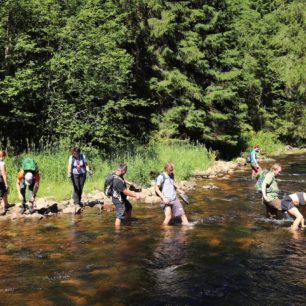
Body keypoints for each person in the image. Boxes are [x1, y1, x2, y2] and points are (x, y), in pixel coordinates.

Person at [155, 162, 190, 226]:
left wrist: (179, 190)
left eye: (172, 169)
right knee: (168, 217)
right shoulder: (161, 177)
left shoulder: (172, 175)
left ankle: (187, 229)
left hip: (174, 199)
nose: (172, 170)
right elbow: (156, 189)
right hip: (166, 200)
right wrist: (163, 198)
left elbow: (172, 185)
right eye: (170, 169)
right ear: (166, 168)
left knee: (182, 214)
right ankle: (164, 229)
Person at [111, 163, 142, 227]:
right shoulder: (117, 181)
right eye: (126, 171)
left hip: (120, 196)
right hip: (118, 199)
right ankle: (117, 233)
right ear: (124, 171)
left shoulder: (116, 173)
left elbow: (122, 179)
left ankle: (127, 222)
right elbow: (126, 192)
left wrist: (128, 183)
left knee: (129, 207)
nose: (126, 172)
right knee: (119, 215)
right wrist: (135, 195)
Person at [67, 147, 91, 213]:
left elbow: (86, 165)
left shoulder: (83, 156)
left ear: (79, 152)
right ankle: (76, 202)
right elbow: (69, 166)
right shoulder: (71, 157)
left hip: (82, 174)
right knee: (76, 187)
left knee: (80, 188)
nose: (76, 154)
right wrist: (69, 173)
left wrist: (88, 170)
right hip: (74, 174)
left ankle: (78, 201)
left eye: (77, 153)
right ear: (73, 153)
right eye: (74, 153)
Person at [0, 151, 9, 215]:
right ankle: (3, 208)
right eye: (4, 156)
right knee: (2, 193)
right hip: (0, 180)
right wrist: (6, 184)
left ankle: (6, 204)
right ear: (2, 156)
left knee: (4, 192)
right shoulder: (2, 163)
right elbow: (4, 174)